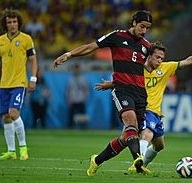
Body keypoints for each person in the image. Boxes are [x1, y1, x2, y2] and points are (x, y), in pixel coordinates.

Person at [53, 10, 153, 176]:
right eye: (142, 26)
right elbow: (91, 47)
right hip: (122, 90)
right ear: (134, 22)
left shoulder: (146, 46)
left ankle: (97, 160)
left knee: (127, 137)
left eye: (147, 28)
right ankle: (138, 160)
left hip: (140, 93)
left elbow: (141, 70)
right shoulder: (117, 36)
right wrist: (68, 54)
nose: (144, 30)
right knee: (130, 122)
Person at [95, 39, 192, 174]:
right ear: (148, 56)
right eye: (157, 57)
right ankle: (137, 165)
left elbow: (188, 61)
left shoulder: (165, 68)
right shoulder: (138, 70)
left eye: (162, 58)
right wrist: (111, 84)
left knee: (158, 145)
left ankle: (100, 160)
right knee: (146, 134)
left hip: (157, 113)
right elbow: (125, 81)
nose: (160, 61)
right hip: (144, 108)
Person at [0, 9, 38, 160]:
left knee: (14, 113)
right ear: (5, 25)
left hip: (19, 82)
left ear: (18, 23)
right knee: (6, 117)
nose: (12, 25)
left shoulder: (26, 39)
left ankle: (23, 148)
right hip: (4, 83)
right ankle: (11, 152)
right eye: (9, 22)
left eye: (14, 22)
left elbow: (33, 60)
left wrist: (33, 79)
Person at [66, 63, 89, 128]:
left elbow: (87, 89)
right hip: (73, 99)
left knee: (82, 116)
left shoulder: (83, 78)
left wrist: (84, 97)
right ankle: (70, 128)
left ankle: (83, 128)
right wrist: (68, 100)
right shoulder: (70, 79)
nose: (76, 70)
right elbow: (68, 90)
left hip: (81, 99)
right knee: (71, 116)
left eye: (77, 69)